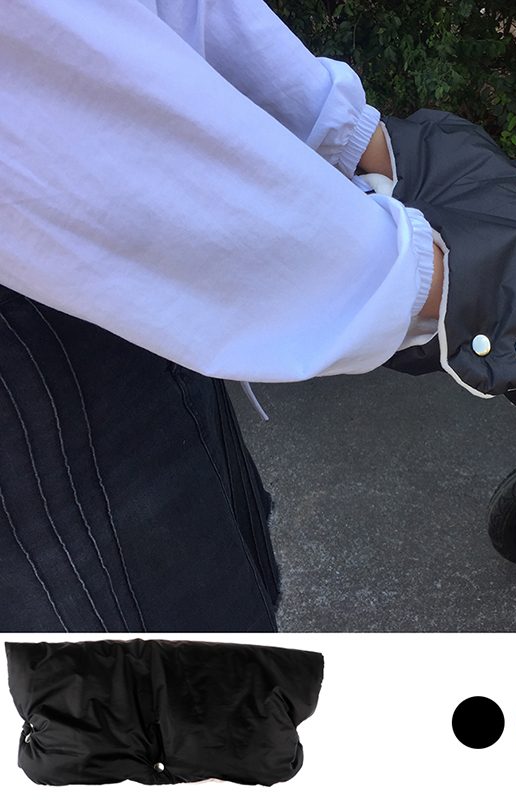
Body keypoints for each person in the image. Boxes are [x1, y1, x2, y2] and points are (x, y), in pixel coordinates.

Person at [1, 0, 445, 632]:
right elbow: (58, 128)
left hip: (124, 329)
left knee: (225, 545)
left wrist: (351, 136)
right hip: (35, 361)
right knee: (145, 617)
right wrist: (424, 283)